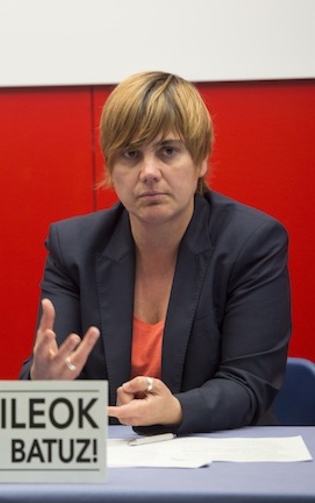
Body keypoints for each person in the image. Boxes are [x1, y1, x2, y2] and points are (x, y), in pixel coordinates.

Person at [19, 71, 292, 434]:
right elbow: (51, 377)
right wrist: (43, 383)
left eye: (168, 151)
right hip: (110, 464)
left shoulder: (251, 243)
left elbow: (249, 384)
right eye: (131, 154)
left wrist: (175, 409)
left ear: (201, 161)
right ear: (111, 168)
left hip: (220, 457)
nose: (148, 172)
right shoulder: (73, 248)